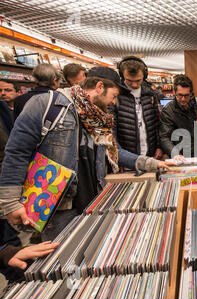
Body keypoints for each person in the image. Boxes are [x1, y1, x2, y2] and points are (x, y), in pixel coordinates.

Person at [0, 68, 170, 241]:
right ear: (99, 87)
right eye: (114, 95)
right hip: (60, 206)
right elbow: (16, 152)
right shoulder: (47, 105)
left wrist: (151, 163)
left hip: (93, 198)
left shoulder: (98, 118)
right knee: (61, 257)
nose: (114, 102)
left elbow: (116, 152)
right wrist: (10, 202)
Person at [113, 56, 163, 160]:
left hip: (151, 155)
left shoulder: (151, 95)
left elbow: (157, 123)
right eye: (129, 81)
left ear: (144, 76)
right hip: (127, 158)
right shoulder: (115, 96)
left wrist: (159, 146)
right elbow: (113, 131)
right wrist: (119, 157)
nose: (134, 84)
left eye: (138, 80)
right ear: (122, 76)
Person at [159, 74, 197, 158]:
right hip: (180, 154)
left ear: (191, 93)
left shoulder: (192, 103)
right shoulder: (168, 111)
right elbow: (164, 138)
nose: (183, 99)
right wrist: (175, 153)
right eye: (180, 95)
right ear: (174, 92)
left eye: (186, 95)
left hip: (196, 152)